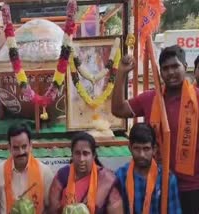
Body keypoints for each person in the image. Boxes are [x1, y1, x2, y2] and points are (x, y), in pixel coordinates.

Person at [111, 45, 199, 213]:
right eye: (165, 68)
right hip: (158, 183)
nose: (171, 72)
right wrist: (121, 73)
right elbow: (118, 109)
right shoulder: (150, 98)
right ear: (160, 72)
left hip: (193, 187)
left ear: (185, 67)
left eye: (175, 66)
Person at [49, 132, 124, 214]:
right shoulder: (62, 176)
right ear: (72, 154)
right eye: (77, 153)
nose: (81, 159)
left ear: (94, 155)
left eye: (86, 153)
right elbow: (53, 209)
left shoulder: (107, 179)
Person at [116, 123, 182, 214]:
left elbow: (174, 211)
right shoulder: (120, 176)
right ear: (130, 148)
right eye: (137, 148)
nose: (141, 154)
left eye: (146, 149)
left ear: (154, 149)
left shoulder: (167, 178)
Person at [0, 123, 54, 214]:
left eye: (24, 146)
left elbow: (51, 207)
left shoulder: (44, 172)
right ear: (9, 148)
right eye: (16, 148)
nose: (21, 152)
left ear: (30, 145)